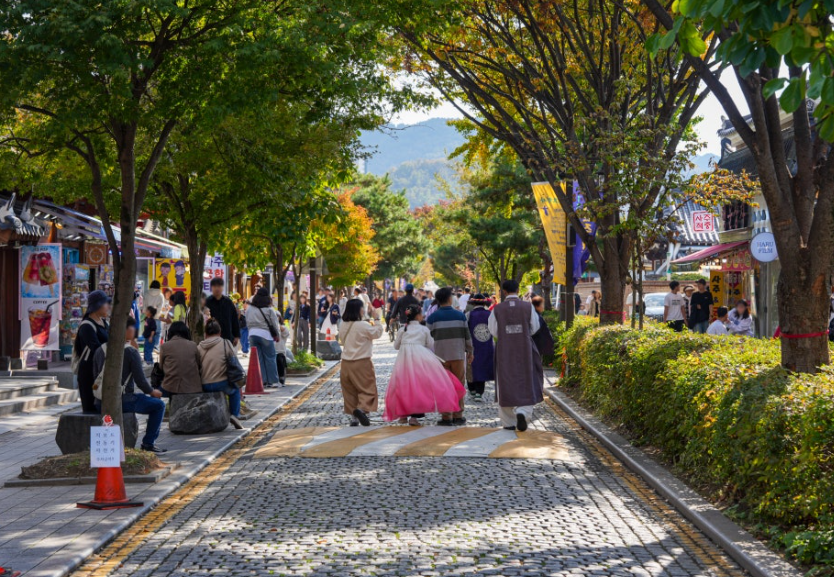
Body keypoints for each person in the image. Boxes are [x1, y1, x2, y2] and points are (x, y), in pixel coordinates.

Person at [93, 318, 166, 452]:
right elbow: (141, 381)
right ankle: (148, 443)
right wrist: (152, 392)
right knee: (159, 406)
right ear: (125, 330)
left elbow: (95, 376)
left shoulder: (100, 350)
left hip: (99, 401)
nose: (134, 330)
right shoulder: (131, 352)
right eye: (132, 327)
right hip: (124, 400)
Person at [384, 304, 466, 425]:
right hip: (420, 358)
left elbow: (396, 346)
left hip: (404, 359)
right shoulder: (424, 329)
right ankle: (415, 416)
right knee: (419, 386)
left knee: (403, 384)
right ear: (418, 316)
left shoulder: (403, 329)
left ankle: (402, 415)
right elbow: (430, 344)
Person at [488, 279, 542, 432]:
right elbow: (535, 327)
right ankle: (523, 411)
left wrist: (505, 336)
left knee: (505, 380)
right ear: (518, 289)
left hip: (504, 348)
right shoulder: (527, 307)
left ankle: (508, 421)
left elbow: (493, 329)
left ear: (503, 292)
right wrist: (523, 334)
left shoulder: (497, 309)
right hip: (525, 348)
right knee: (527, 378)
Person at [426, 287, 473, 426]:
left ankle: (446, 417)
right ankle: (458, 415)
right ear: (449, 299)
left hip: (440, 357)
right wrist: (470, 351)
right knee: (459, 384)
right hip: (458, 355)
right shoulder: (460, 315)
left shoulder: (432, 317)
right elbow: (467, 335)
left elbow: (428, 338)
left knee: (443, 385)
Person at [338, 299, 384, 426]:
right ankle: (362, 409)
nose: (363, 310)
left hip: (346, 363)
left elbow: (342, 340)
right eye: (362, 308)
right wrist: (377, 319)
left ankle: (354, 417)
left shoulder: (343, 325)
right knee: (367, 388)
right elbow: (377, 333)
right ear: (358, 310)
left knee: (350, 391)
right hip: (362, 362)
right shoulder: (363, 325)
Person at [198, 319, 243, 429]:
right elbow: (234, 361)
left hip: (204, 385)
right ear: (220, 332)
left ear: (206, 333)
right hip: (222, 383)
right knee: (235, 391)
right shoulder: (225, 343)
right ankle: (235, 415)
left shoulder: (199, 347)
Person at [74, 290, 111, 413]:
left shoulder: (105, 323)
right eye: (106, 303)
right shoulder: (87, 326)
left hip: (103, 370)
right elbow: (97, 349)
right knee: (91, 409)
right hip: (89, 373)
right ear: (98, 305)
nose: (108, 307)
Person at [245, 287, 282, 388]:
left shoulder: (249, 309)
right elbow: (274, 324)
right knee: (270, 358)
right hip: (266, 335)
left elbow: (247, 321)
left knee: (258, 359)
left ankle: (263, 381)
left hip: (252, 334)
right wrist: (277, 335)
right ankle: (273, 381)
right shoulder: (269, 309)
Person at [158, 322, 203, 395]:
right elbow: (198, 364)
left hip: (170, 387)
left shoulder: (165, 346)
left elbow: (161, 367)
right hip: (193, 387)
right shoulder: (193, 345)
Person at [466, 294, 494, 401]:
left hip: (472, 346)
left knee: (471, 367)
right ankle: (479, 392)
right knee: (482, 367)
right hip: (486, 345)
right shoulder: (490, 314)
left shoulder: (469, 315)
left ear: (473, 303)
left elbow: (466, 330)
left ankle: (472, 389)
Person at [205, 277, 240, 345]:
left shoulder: (228, 302)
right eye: (214, 286)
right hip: (212, 338)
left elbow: (234, 319)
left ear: (222, 287)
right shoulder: (207, 302)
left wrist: (236, 335)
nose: (217, 288)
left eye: (219, 286)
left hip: (227, 338)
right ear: (211, 288)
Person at [143, 280, 165, 349]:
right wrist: (155, 315)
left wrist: (148, 314)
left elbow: (144, 307)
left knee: (148, 334)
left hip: (148, 318)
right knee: (157, 333)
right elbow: (160, 308)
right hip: (157, 318)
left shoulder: (146, 294)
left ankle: (148, 349)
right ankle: (155, 347)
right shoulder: (161, 295)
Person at [274, 317, 291, 387]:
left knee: (280, 362)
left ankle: (281, 378)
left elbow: (285, 333)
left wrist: (276, 324)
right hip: (270, 351)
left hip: (280, 351)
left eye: (276, 316)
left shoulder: (283, 327)